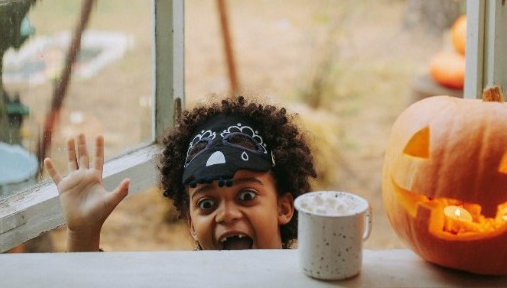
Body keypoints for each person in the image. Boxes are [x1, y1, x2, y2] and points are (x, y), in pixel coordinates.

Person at [44, 96, 318, 251]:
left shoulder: (311, 285)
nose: (227, 214)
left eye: (246, 195)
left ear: (283, 208)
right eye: (206, 203)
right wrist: (83, 233)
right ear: (191, 225)